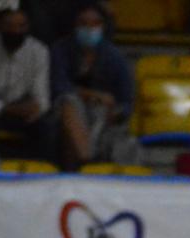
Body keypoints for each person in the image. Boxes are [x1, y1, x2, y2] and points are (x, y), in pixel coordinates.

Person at [51, 1, 138, 171]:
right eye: (83, 23)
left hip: (102, 116)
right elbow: (58, 86)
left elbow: (126, 101)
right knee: (70, 103)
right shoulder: (60, 50)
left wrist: (116, 112)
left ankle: (90, 165)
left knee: (101, 112)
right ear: (74, 25)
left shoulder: (115, 57)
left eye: (95, 23)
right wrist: (91, 95)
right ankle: (86, 160)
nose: (89, 28)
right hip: (62, 112)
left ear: (104, 26)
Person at [0, 7, 53, 158]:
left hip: (22, 109)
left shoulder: (39, 51)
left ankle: (42, 171)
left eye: (21, 26)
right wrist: (7, 108)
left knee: (47, 123)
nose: (15, 31)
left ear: (28, 27)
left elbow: (43, 98)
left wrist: (36, 109)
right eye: (9, 25)